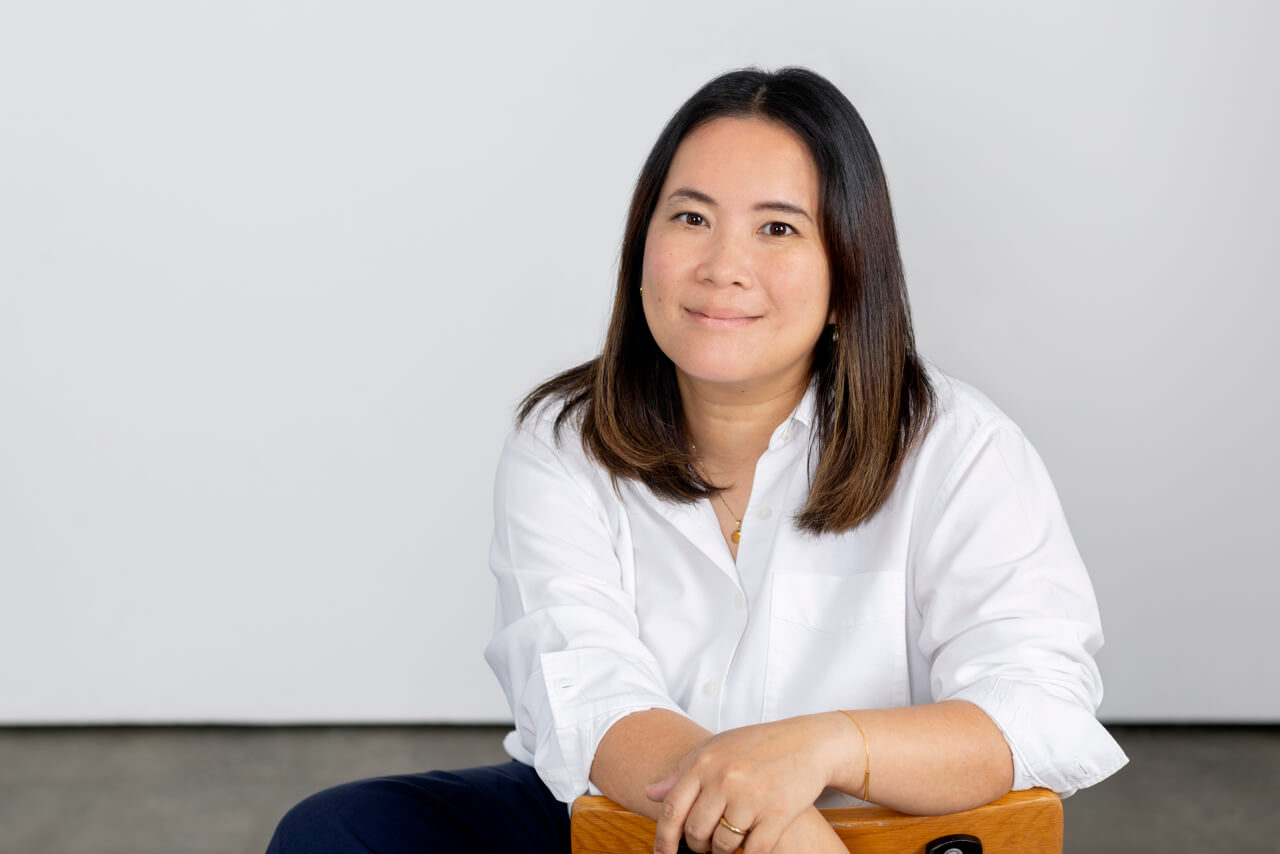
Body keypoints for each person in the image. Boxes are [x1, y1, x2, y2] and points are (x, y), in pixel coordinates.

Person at [267, 66, 1127, 854]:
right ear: (644, 243)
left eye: (778, 228)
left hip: (878, 827)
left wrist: (820, 746)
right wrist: (772, 828)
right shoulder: (565, 441)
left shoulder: (958, 445)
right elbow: (587, 697)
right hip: (635, 812)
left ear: (847, 276)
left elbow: (1038, 707)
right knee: (337, 833)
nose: (723, 267)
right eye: (691, 218)